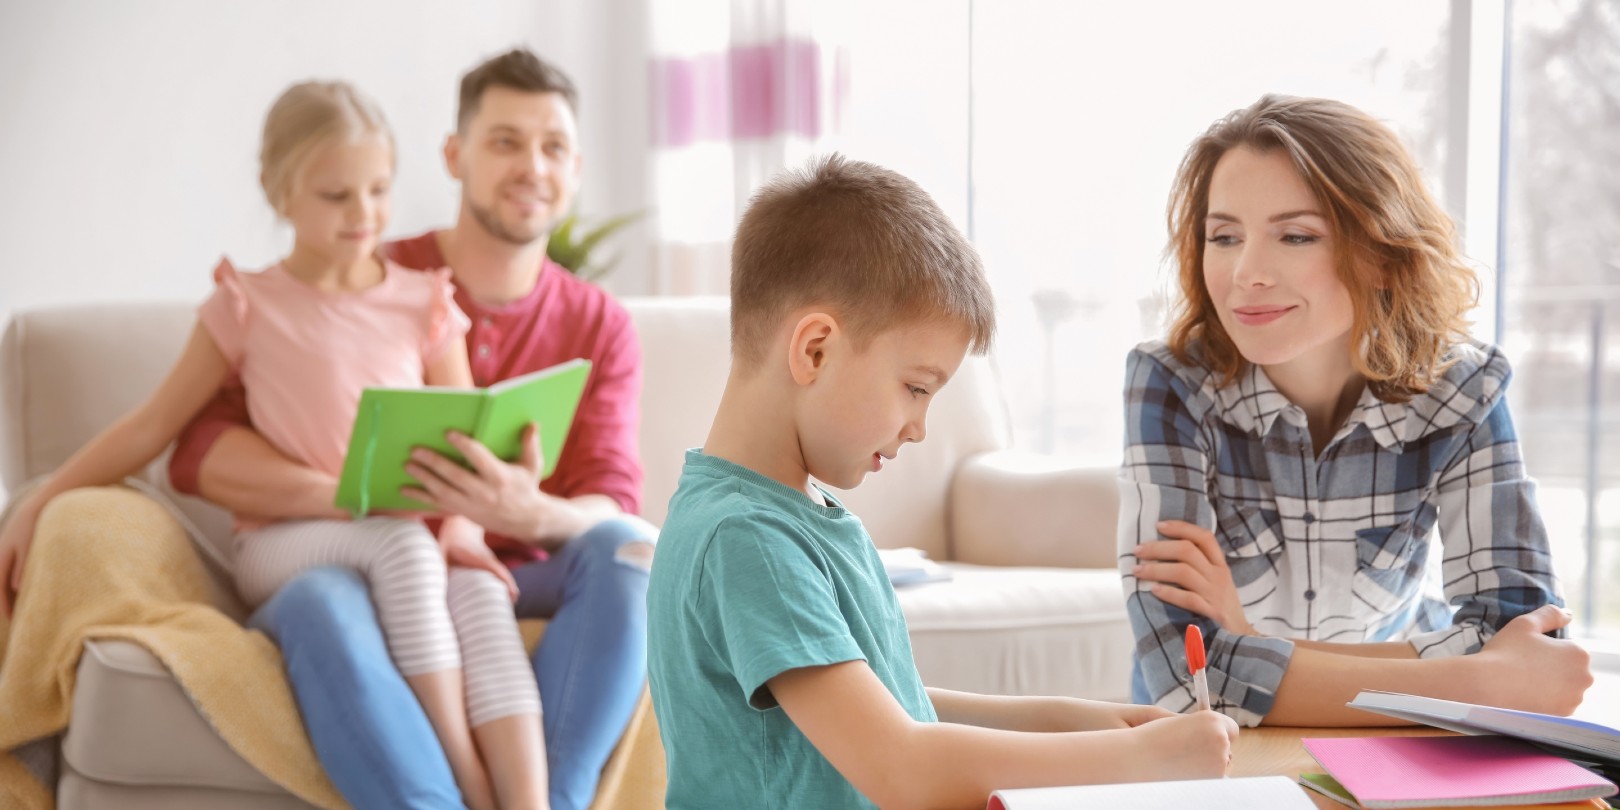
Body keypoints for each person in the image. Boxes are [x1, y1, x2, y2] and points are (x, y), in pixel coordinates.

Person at [0, 80, 548, 809]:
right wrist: (42, 498)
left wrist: (468, 530)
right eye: (336, 195)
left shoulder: (424, 302)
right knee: (405, 547)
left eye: (379, 190)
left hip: (398, 536)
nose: (364, 215)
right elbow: (151, 426)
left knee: (476, 588)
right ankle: (470, 783)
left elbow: (463, 443)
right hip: (284, 543)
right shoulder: (246, 304)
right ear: (279, 192)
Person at [647, 154, 1238, 810]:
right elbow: (901, 767)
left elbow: (896, 710)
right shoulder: (748, 538)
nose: (919, 427)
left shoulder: (786, 513)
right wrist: (1135, 760)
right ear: (814, 349)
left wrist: (1072, 720)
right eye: (915, 388)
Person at [162, 50, 656, 810]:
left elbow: (612, 494)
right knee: (321, 599)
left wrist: (529, 514)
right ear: (454, 156)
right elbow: (197, 446)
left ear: (577, 167)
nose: (532, 165)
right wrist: (361, 495)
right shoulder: (365, 274)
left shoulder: (600, 324)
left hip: (516, 566)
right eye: (504, 141)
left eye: (553, 146)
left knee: (629, 551)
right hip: (366, 564)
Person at [1118, 94, 1593, 728]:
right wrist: (1474, 684)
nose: (1246, 272)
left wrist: (1250, 644)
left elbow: (1530, 644)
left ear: (1379, 252)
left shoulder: (1464, 387)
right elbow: (1186, 677)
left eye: (1295, 235)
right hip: (1209, 745)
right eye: (1224, 236)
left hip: (1398, 745)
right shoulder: (1170, 382)